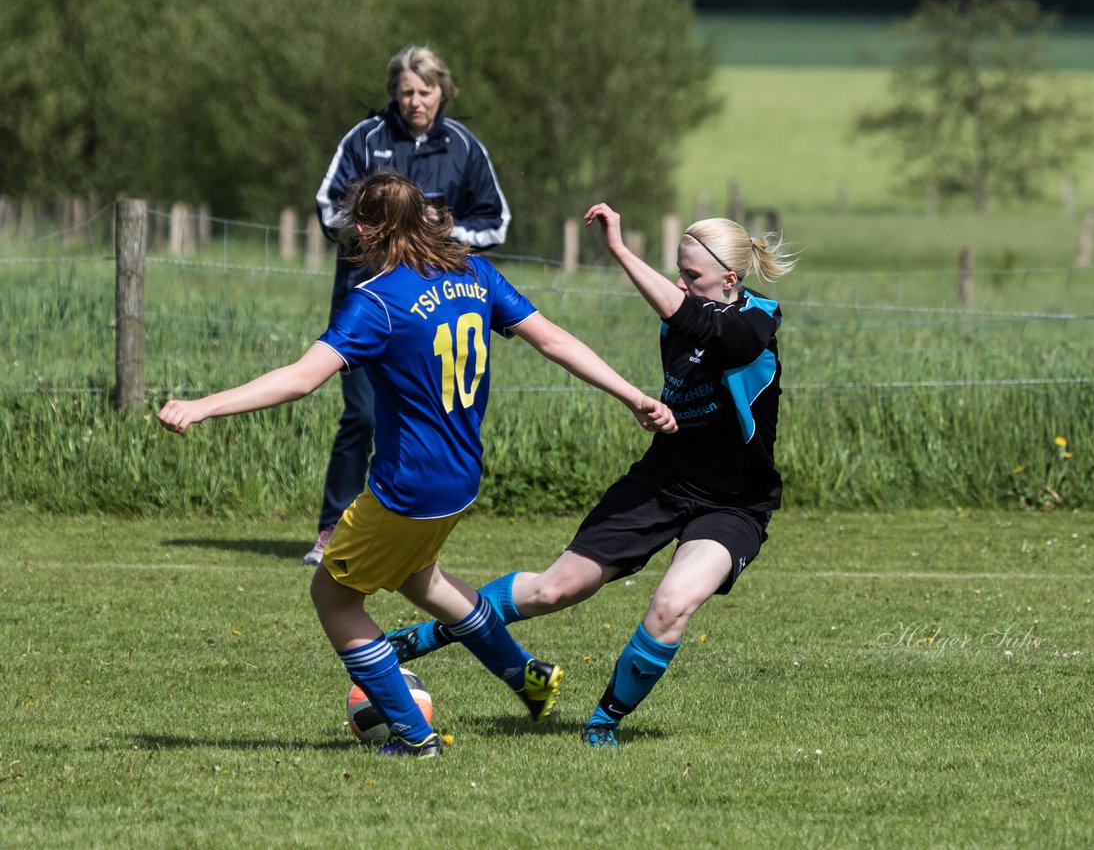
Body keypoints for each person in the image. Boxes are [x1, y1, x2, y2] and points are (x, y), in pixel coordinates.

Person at [158, 175, 676, 757]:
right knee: (420, 579)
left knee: (333, 599)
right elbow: (553, 340)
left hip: (406, 487)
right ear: (426, 219)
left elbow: (301, 379)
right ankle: (525, 677)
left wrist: (203, 405)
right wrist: (633, 394)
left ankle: (414, 734)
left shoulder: (375, 301)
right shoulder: (472, 274)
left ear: (362, 229)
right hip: (460, 477)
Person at [386, 201, 797, 747]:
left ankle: (603, 722)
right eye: (677, 269)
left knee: (673, 603)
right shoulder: (686, 312)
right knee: (554, 590)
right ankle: (425, 636)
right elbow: (690, 339)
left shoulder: (757, 324)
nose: (678, 282)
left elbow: (701, 325)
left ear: (731, 278)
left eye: (690, 275)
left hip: (734, 503)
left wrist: (620, 251)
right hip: (663, 482)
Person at [306, 43, 512, 567]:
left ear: (443, 92)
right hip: (371, 300)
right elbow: (328, 205)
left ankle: (408, 522)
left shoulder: (464, 146)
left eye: (425, 91)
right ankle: (333, 527)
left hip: (434, 307)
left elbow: (497, 221)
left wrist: (443, 233)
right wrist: (373, 229)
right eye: (406, 92)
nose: (415, 101)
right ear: (393, 94)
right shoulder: (365, 139)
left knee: (422, 413)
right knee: (361, 413)